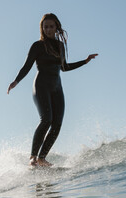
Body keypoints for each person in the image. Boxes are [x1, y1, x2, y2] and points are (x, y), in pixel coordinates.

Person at [7, 13, 98, 167]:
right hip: (41, 86)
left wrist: (85, 61)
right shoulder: (37, 45)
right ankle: (33, 157)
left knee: (57, 125)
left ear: (56, 27)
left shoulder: (60, 46)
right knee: (46, 119)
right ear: (42, 28)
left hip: (56, 87)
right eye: (46, 27)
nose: (48, 29)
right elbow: (27, 65)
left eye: (51, 26)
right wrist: (16, 81)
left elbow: (64, 68)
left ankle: (42, 158)